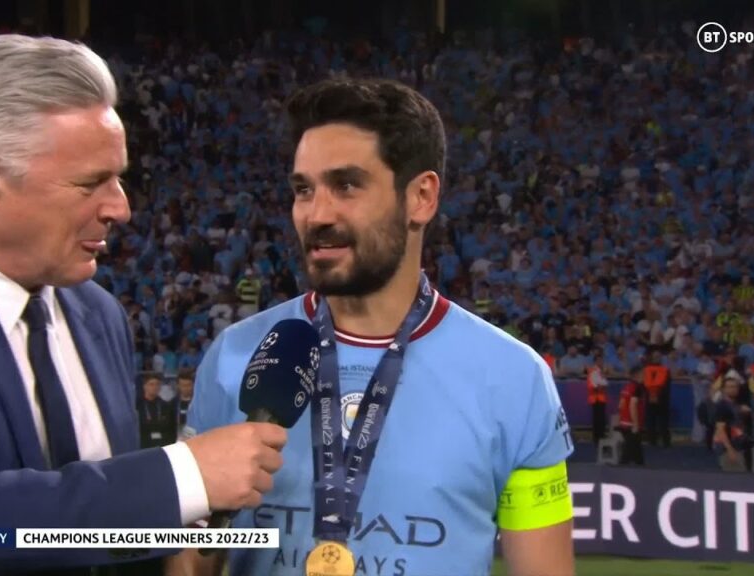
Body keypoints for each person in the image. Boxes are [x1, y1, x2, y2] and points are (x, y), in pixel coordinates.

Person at [0, 35, 287, 576]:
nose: (120, 208)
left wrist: (185, 539)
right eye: (91, 182)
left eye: (118, 178)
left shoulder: (98, 314)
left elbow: (106, 532)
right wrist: (182, 478)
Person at [174, 78, 574, 576]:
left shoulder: (514, 378)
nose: (317, 214)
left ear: (421, 197)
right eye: (303, 189)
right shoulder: (234, 356)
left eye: (346, 185)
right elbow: (189, 557)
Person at [712, 371, 754, 472]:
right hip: (728, 449)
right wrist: (730, 450)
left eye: (735, 386)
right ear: (723, 389)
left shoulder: (734, 405)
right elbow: (720, 430)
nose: (733, 389)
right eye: (730, 387)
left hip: (738, 447)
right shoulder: (722, 406)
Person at [616, 366, 646, 466]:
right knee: (630, 446)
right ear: (637, 375)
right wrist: (635, 424)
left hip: (624, 421)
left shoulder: (626, 387)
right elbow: (633, 405)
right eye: (643, 374)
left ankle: (640, 463)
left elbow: (620, 405)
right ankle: (622, 465)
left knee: (635, 445)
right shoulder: (637, 388)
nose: (645, 376)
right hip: (631, 423)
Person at [139, 376, 176, 448]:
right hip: (144, 444)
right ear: (145, 386)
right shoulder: (138, 406)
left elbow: (172, 428)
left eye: (157, 384)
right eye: (151, 384)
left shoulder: (166, 406)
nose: (155, 387)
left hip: (163, 444)